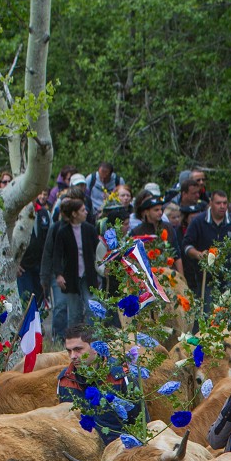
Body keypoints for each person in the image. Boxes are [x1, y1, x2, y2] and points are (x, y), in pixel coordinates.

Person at [56, 325, 143, 446]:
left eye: (78, 349)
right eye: (69, 351)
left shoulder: (122, 376)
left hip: (118, 449)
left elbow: (141, 423)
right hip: (82, 450)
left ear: (95, 347)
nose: (72, 356)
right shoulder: (65, 380)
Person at [180, 189, 231, 308]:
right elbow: (186, 245)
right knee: (207, 313)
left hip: (229, 277)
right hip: (206, 278)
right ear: (211, 203)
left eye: (225, 203)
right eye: (218, 203)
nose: (222, 206)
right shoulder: (198, 221)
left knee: (230, 314)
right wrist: (198, 254)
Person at [45, 197, 100, 329]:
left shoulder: (90, 230)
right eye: (82, 210)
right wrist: (59, 274)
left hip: (88, 275)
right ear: (74, 214)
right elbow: (57, 255)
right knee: (74, 312)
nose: (86, 212)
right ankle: (73, 340)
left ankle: (93, 338)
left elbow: (98, 251)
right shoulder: (63, 232)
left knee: (92, 306)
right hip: (72, 276)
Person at [17, 189, 51, 309]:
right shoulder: (16, 215)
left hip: (40, 265)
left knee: (40, 300)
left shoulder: (44, 213)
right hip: (23, 267)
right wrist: (14, 262)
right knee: (26, 302)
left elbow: (50, 241)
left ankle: (39, 325)